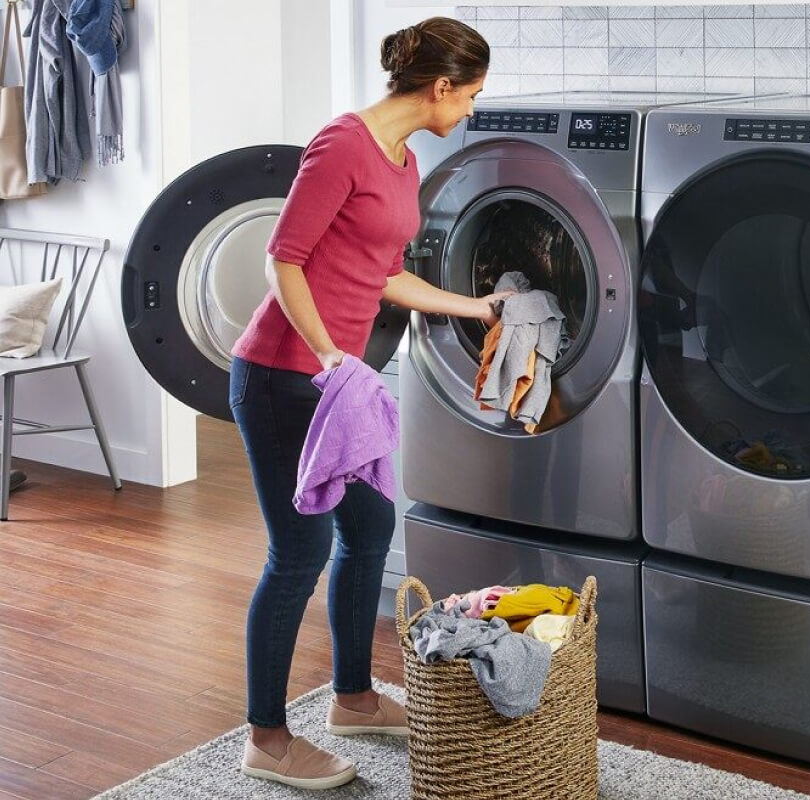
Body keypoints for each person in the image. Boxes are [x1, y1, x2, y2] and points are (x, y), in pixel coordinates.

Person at [229, 17, 504, 790]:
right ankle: (267, 738)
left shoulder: (404, 160)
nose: (473, 111)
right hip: (285, 379)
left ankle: (351, 698)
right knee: (298, 555)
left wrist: (473, 307)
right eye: (473, 95)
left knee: (371, 526)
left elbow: (382, 274)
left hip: (332, 383)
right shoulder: (342, 144)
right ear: (440, 87)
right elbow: (283, 260)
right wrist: (327, 357)